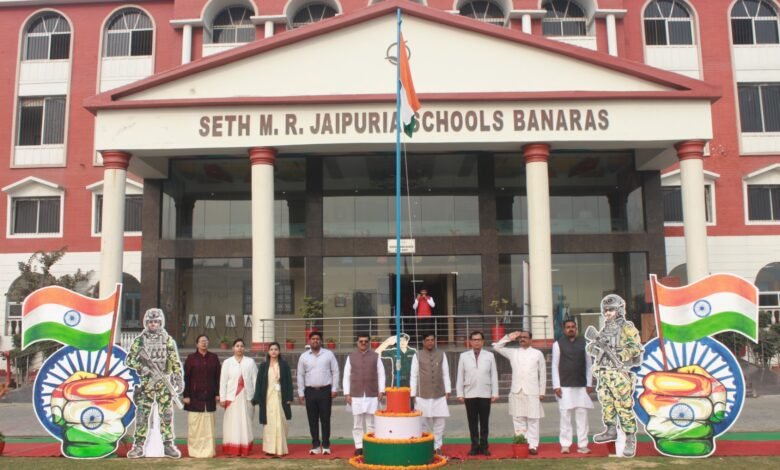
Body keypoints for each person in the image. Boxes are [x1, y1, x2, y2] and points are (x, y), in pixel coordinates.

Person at [587, 294, 643, 457]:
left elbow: (635, 348)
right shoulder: (605, 329)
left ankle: (630, 438)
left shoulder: (627, 328)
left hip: (620, 373)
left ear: (619, 310)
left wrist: (619, 355)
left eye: (611, 309)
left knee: (623, 406)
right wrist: (594, 347)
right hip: (604, 371)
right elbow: (593, 348)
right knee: (607, 403)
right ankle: (611, 430)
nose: (607, 313)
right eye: (605, 310)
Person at [125, 308, 184, 459]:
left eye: (156, 321)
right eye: (150, 322)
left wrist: (178, 377)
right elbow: (129, 359)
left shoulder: (167, 340)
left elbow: (174, 360)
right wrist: (142, 367)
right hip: (147, 383)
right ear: (146, 323)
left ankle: (168, 444)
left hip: (164, 382)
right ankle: (138, 445)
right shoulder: (140, 340)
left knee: (166, 414)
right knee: (142, 414)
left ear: (160, 322)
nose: (153, 324)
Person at [493, 330, 546, 455]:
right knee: (518, 419)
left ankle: (533, 445)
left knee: (533, 420)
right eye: (520, 337)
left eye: (525, 337)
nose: (522, 339)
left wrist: (542, 391)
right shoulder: (513, 352)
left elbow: (543, 374)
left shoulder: (537, 353)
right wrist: (508, 337)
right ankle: (521, 442)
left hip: (532, 391)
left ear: (530, 340)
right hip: (516, 390)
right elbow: (497, 347)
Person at [553, 319, 594, 454]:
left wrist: (589, 383)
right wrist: (556, 386)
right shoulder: (558, 344)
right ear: (564, 329)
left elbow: (589, 364)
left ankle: (583, 445)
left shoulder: (585, 343)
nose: (570, 329)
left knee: (582, 417)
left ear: (576, 328)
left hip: (581, 385)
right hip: (564, 386)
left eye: (573, 327)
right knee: (565, 416)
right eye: (568, 327)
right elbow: (554, 366)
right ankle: (565, 445)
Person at [456, 330, 498, 456]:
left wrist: (495, 392)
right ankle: (474, 446)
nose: (476, 342)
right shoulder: (464, 356)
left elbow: (494, 375)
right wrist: (460, 393)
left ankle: (484, 446)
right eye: (474, 340)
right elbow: (460, 375)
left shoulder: (490, 355)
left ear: (483, 341)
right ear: (470, 342)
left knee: (484, 422)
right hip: (469, 393)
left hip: (485, 392)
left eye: (479, 339)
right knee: (472, 422)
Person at [296, 331, 339, 455]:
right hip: (310, 391)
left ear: (321, 341)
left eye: (317, 339)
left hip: (325, 391)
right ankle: (315, 445)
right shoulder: (304, 356)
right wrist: (300, 392)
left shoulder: (328, 354)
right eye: (313, 339)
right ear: (309, 341)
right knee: (312, 419)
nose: (315, 340)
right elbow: (300, 374)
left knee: (325, 419)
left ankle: (325, 445)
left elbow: (335, 371)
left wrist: (334, 388)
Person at [343, 333, 386, 456]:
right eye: (361, 341)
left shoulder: (376, 356)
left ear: (369, 342)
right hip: (356, 394)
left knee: (371, 423)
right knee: (357, 423)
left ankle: (370, 445)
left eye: (366, 341)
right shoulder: (351, 357)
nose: (363, 343)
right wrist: (347, 393)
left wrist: (381, 390)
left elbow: (381, 374)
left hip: (371, 394)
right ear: (357, 342)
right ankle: (359, 446)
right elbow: (346, 376)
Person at [410, 332, 450, 455]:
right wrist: (413, 393)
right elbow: (413, 375)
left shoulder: (441, 354)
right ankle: (426, 446)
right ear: (423, 342)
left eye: (432, 340)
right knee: (423, 422)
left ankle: (437, 446)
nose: (430, 342)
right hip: (422, 394)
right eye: (427, 340)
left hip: (439, 393)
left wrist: (447, 390)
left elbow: (445, 373)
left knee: (440, 422)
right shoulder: (417, 355)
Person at [183, 334, 221, 458]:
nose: (204, 343)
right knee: (195, 426)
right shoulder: (191, 358)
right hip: (194, 398)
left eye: (206, 341)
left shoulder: (214, 358)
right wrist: (186, 395)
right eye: (201, 341)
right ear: (197, 344)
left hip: (209, 397)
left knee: (208, 426)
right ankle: (195, 450)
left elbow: (218, 377)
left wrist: (218, 393)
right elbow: (186, 378)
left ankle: (209, 451)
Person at [253, 342, 293, 457]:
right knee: (269, 424)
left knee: (281, 422)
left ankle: (280, 449)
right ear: (268, 352)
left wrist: (289, 397)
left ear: (279, 351)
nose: (274, 351)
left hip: (280, 397)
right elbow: (259, 383)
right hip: (267, 398)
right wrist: (258, 398)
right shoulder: (263, 366)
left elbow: (289, 382)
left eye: (276, 349)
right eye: (271, 349)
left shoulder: (284, 365)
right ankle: (269, 449)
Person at [219, 338, 258, 456]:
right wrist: (222, 398)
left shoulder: (250, 362)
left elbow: (255, 380)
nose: (239, 348)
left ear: (244, 348)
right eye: (237, 346)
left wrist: (256, 397)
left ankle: (245, 448)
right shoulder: (227, 362)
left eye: (241, 346)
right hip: (232, 397)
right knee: (232, 423)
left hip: (247, 397)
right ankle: (232, 448)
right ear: (233, 348)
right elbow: (223, 381)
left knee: (246, 422)